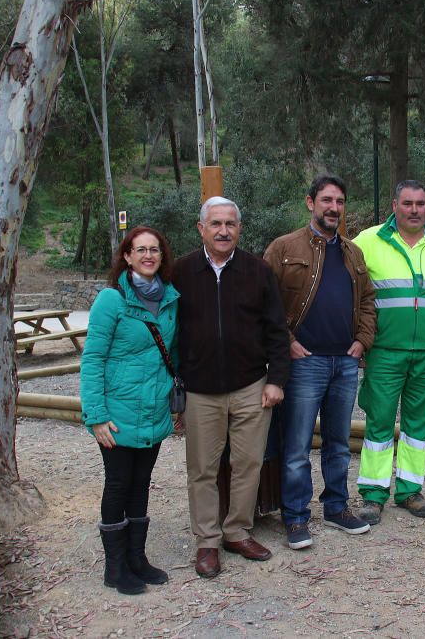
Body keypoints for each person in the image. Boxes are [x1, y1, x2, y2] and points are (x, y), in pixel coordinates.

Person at [173, 196, 290, 578]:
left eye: (231, 224)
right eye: (216, 224)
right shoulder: (181, 272)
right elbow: (169, 332)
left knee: (248, 463)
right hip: (200, 390)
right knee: (202, 469)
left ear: (239, 228)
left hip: (250, 385)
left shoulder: (258, 271)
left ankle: (237, 531)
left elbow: (277, 330)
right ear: (201, 228)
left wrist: (276, 380)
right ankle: (207, 541)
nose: (224, 231)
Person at [264, 175, 377, 549]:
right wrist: (289, 343)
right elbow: (266, 306)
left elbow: (367, 302)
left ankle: (336, 507)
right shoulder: (283, 248)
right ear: (310, 203)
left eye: (340, 201)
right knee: (296, 445)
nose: (334, 207)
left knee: (338, 443)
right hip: (304, 363)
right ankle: (295, 517)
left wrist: (362, 340)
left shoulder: (352, 252)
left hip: (344, 363)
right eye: (327, 200)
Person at [353, 180, 425, 525]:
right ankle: (373, 494)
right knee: (379, 420)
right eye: (407, 204)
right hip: (384, 351)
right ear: (394, 205)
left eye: (420, 204)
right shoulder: (368, 241)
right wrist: (357, 339)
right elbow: (347, 292)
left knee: (419, 425)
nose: (414, 210)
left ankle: (410, 490)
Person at [81, 226, 179, 595]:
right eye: (140, 250)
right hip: (118, 413)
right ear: (127, 256)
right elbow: (92, 359)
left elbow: (175, 353)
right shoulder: (112, 300)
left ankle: (137, 558)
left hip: (153, 410)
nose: (148, 255)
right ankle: (115, 566)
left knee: (141, 484)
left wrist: (175, 400)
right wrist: (95, 414)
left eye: (155, 249)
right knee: (119, 484)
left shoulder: (170, 299)